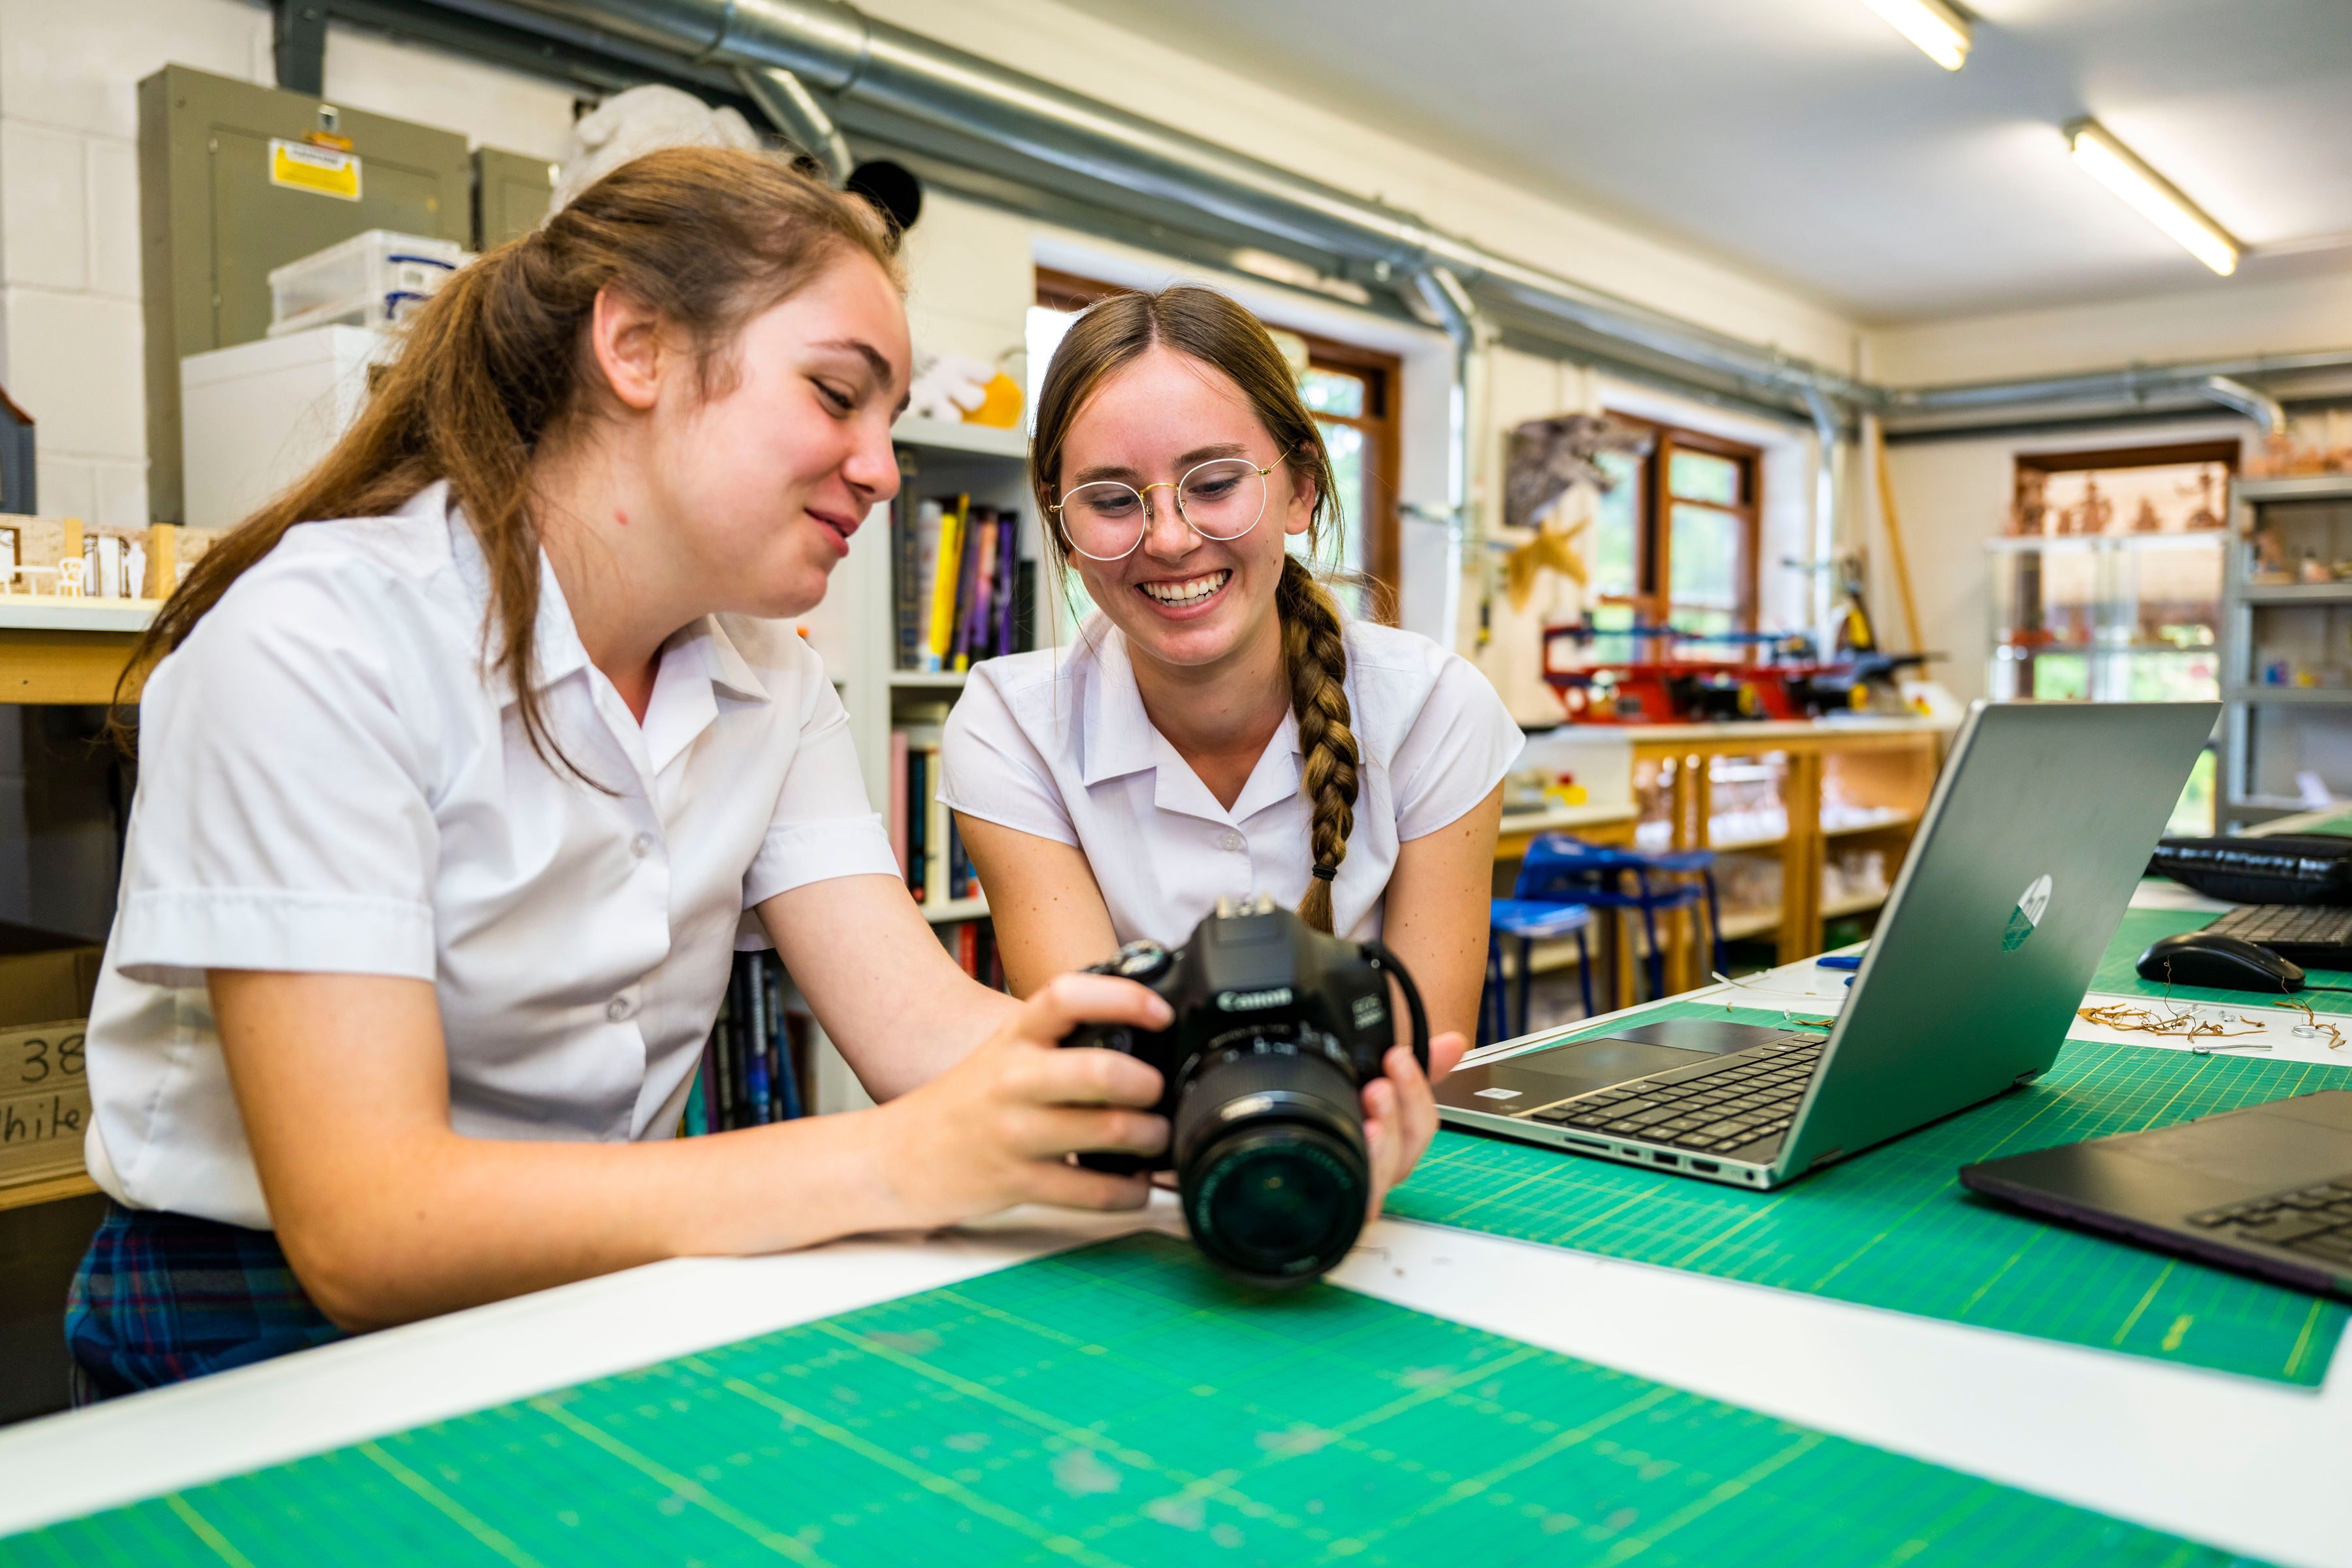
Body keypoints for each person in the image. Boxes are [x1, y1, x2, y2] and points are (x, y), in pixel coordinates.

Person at [64, 147, 1181, 1401]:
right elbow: (368, 1230)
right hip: (253, 1309)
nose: (882, 466)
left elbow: (920, 1027)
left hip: (600, 1269)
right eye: (835, 395)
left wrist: (1219, 1091)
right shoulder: (319, 641)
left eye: (889, 418)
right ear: (636, 347)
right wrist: (897, 1164)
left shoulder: (776, 680)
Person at [939, 286, 1524, 1177]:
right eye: (1111, 498)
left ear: (1300, 487)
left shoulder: (1437, 706)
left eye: (1214, 485)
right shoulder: (1009, 725)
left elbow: (1419, 1063)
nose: (1169, 539)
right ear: (1060, 520)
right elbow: (1102, 1070)